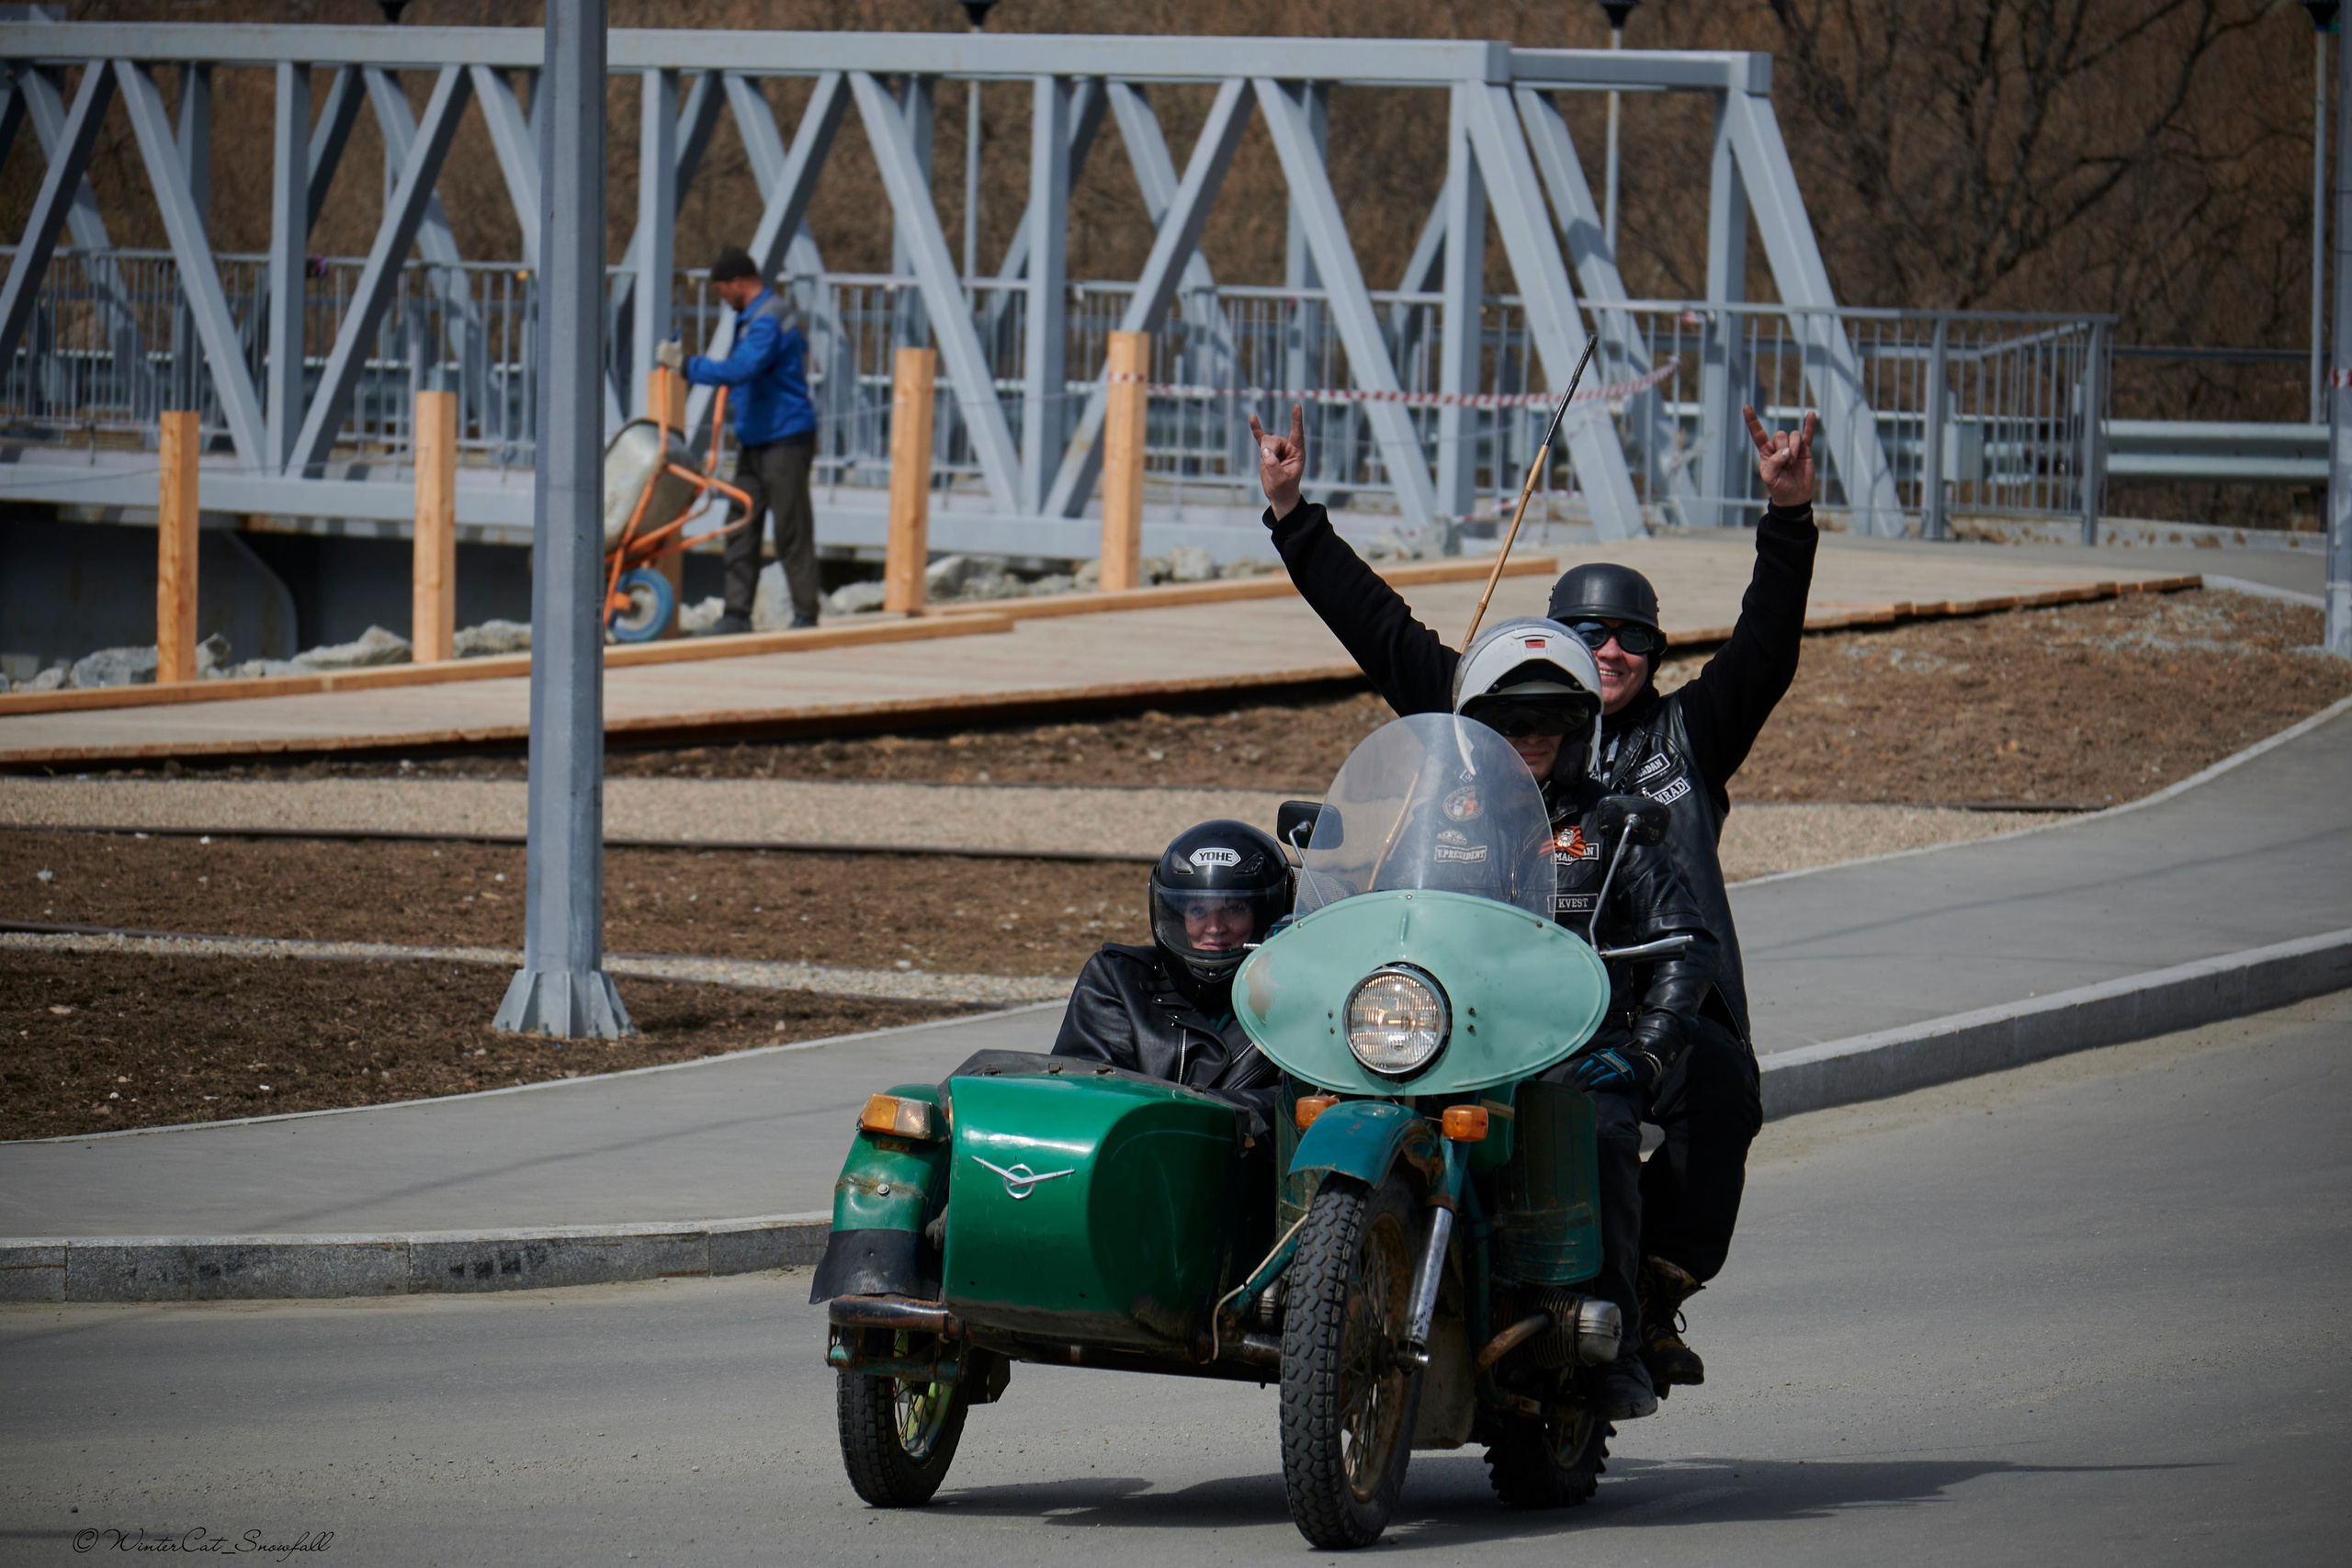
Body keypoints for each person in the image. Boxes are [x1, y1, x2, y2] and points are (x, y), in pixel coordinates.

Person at [1247, 397, 1821, 1399]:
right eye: (1586, 632)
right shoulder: (1482, 713)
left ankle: (1645, 1289)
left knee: (1713, 1088)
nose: (1609, 651)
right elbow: (1378, 629)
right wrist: (1295, 515)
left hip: (1643, 1000)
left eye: (1632, 637)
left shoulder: (1682, 741)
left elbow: (1766, 646)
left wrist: (1786, 518)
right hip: (1487, 991)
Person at [1048, 820, 1292, 1119]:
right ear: (1176, 917)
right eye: (1198, 911)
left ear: (1265, 914)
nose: (1215, 928)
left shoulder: (1295, 995)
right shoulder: (1118, 981)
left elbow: (1304, 1103)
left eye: (1234, 909)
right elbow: (1085, 1093)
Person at [657, 245, 819, 633]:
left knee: (790, 528)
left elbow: (743, 368)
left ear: (738, 283)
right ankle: (736, 614)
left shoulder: (767, 319)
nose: (719, 298)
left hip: (785, 439)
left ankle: (805, 615)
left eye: (720, 290)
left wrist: (687, 365)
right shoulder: (757, 317)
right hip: (756, 439)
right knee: (741, 523)